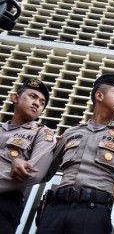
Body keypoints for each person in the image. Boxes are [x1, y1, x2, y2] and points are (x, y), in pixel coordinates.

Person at [35, 73, 114, 234]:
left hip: (93, 211)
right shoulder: (70, 133)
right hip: (56, 209)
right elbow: (45, 171)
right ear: (99, 95)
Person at [0, 79, 55, 234]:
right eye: (32, 96)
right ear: (15, 98)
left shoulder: (42, 133)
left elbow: (34, 172)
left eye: (42, 102)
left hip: (5, 201)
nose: (37, 104)